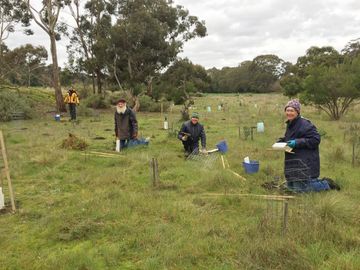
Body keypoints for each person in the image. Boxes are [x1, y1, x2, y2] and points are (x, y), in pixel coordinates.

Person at [278, 99, 339, 192]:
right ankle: (313, 182)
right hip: (293, 161)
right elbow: (292, 137)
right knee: (291, 188)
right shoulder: (290, 123)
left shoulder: (305, 124)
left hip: (305, 161)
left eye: (292, 110)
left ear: (297, 112)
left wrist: (297, 142)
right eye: (287, 110)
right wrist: (281, 141)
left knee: (300, 190)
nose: (289, 113)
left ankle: (326, 184)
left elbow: (315, 139)